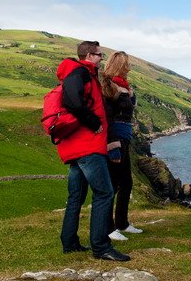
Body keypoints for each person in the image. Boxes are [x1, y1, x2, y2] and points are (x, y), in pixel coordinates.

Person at [56, 41, 130, 261]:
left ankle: (70, 243)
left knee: (76, 197)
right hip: (87, 146)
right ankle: (101, 247)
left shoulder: (82, 73)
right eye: (99, 54)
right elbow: (72, 101)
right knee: (105, 192)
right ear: (89, 55)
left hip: (77, 147)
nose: (102, 58)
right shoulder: (80, 73)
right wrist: (94, 122)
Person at [101, 51, 143, 241]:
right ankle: (109, 228)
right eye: (127, 65)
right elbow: (108, 117)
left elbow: (127, 109)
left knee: (126, 182)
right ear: (120, 65)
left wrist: (131, 96)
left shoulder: (123, 86)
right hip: (116, 138)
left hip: (124, 138)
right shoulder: (109, 87)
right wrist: (112, 144)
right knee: (114, 184)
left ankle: (122, 223)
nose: (130, 68)